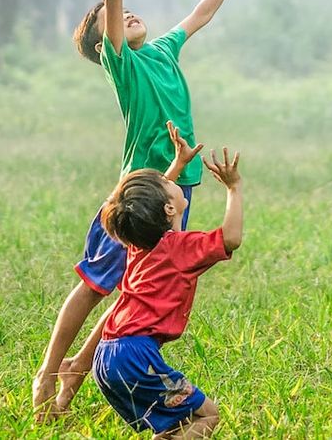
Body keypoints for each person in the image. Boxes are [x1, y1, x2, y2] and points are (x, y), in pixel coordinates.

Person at [33, 0, 259, 418]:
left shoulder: (161, 50)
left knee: (133, 298)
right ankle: (49, 374)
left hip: (176, 189)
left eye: (131, 11)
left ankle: (70, 389)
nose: (126, 13)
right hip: (138, 193)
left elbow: (200, 14)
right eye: (112, 19)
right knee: (95, 286)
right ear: (102, 44)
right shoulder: (124, 65)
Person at [92, 132, 242, 438]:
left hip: (106, 356)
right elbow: (231, 238)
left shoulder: (140, 242)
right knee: (207, 415)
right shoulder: (180, 249)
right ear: (169, 209)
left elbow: (146, 205)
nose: (169, 179)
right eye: (166, 182)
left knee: (175, 425)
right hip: (136, 358)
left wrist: (177, 163)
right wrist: (233, 188)